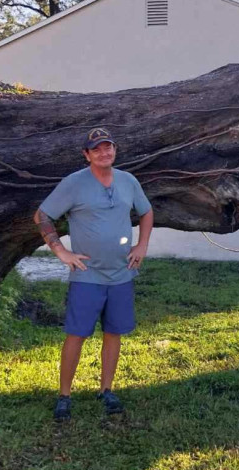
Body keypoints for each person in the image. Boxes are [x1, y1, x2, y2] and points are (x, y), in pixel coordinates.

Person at [34, 127, 153, 421]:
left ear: (115, 150)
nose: (104, 153)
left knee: (113, 332)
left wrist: (142, 245)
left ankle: (107, 389)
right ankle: (64, 395)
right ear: (86, 155)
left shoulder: (128, 181)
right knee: (77, 334)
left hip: (122, 273)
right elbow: (42, 216)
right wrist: (61, 252)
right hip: (87, 274)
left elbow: (146, 212)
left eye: (108, 147)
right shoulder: (74, 183)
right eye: (97, 149)